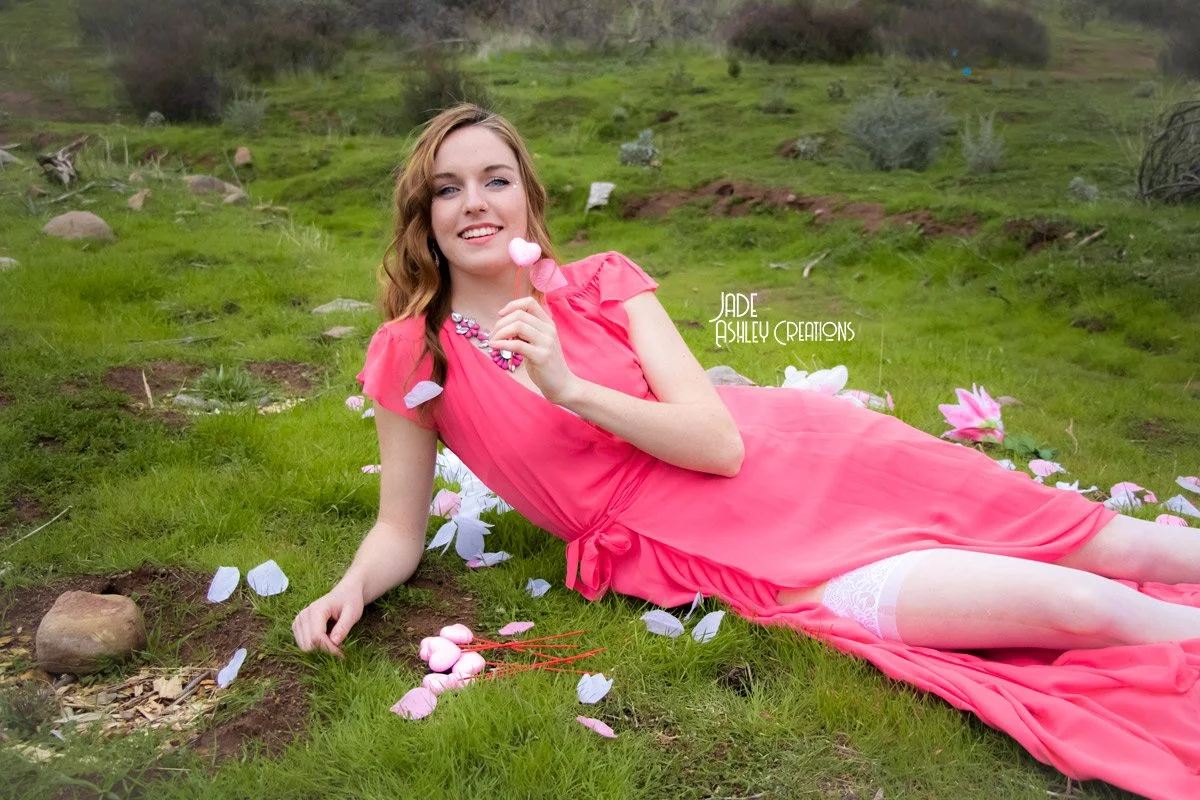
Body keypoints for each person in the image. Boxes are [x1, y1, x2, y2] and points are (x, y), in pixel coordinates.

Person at [293, 103, 1200, 798]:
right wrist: (351, 586)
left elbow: (718, 440)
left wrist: (568, 386)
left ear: (528, 193)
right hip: (712, 540)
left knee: (1119, 545)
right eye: (448, 188)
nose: (474, 204)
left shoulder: (606, 283)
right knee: (1074, 604)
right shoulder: (415, 353)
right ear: (424, 213)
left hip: (811, 451)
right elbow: (398, 528)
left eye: (494, 179)